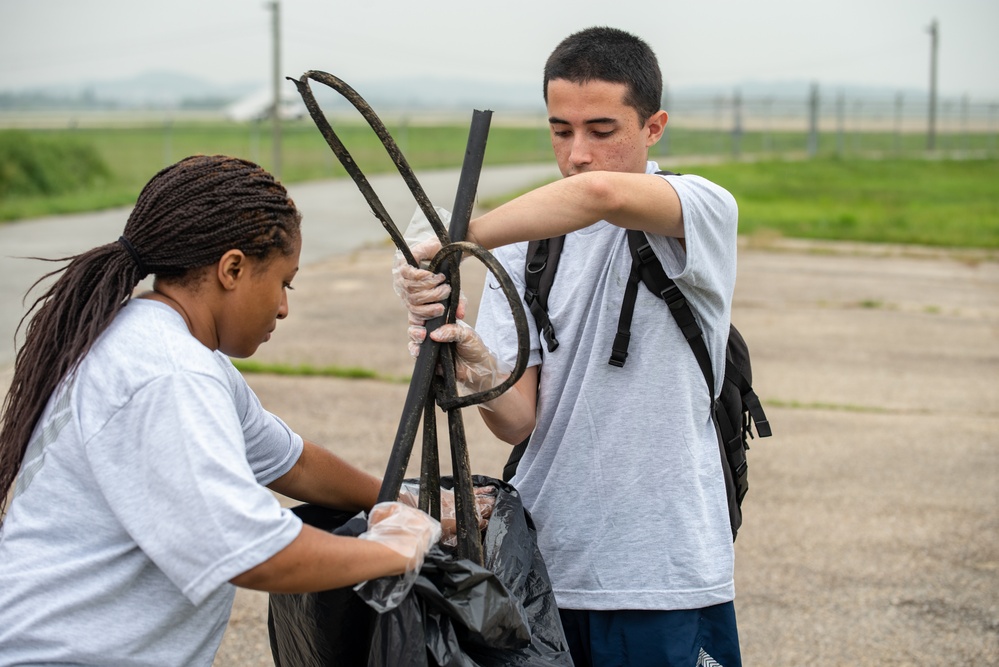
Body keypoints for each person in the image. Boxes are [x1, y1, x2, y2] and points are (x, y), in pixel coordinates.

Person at [0, 155, 443, 666]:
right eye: (283, 282)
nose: (283, 307)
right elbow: (253, 550)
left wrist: (407, 507)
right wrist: (393, 551)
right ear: (232, 269)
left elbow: (293, 464)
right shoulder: (171, 373)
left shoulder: (156, 339)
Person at [394, 27, 742, 667]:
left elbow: (599, 196)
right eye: (561, 130)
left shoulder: (701, 210)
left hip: (661, 570)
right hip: (539, 569)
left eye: (602, 130)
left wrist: (456, 238)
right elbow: (518, 420)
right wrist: (475, 361)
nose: (578, 153)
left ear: (654, 126)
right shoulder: (519, 245)